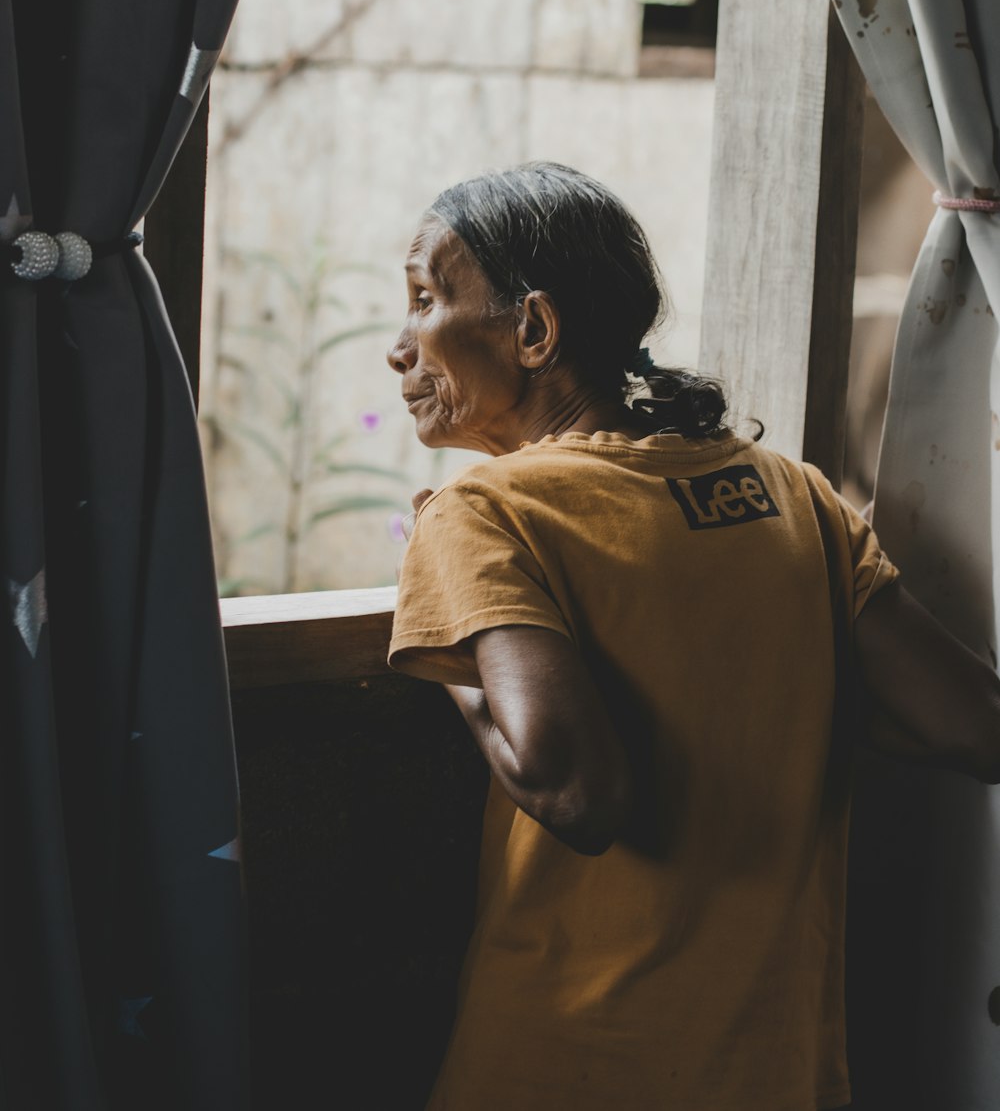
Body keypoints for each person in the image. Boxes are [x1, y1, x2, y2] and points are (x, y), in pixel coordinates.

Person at [385, 161, 1000, 1111]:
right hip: (782, 1066)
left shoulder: (482, 513)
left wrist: (454, 648)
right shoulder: (791, 494)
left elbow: (578, 789)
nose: (400, 346)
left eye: (425, 298)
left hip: (571, 1062)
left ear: (535, 331)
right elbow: (973, 722)